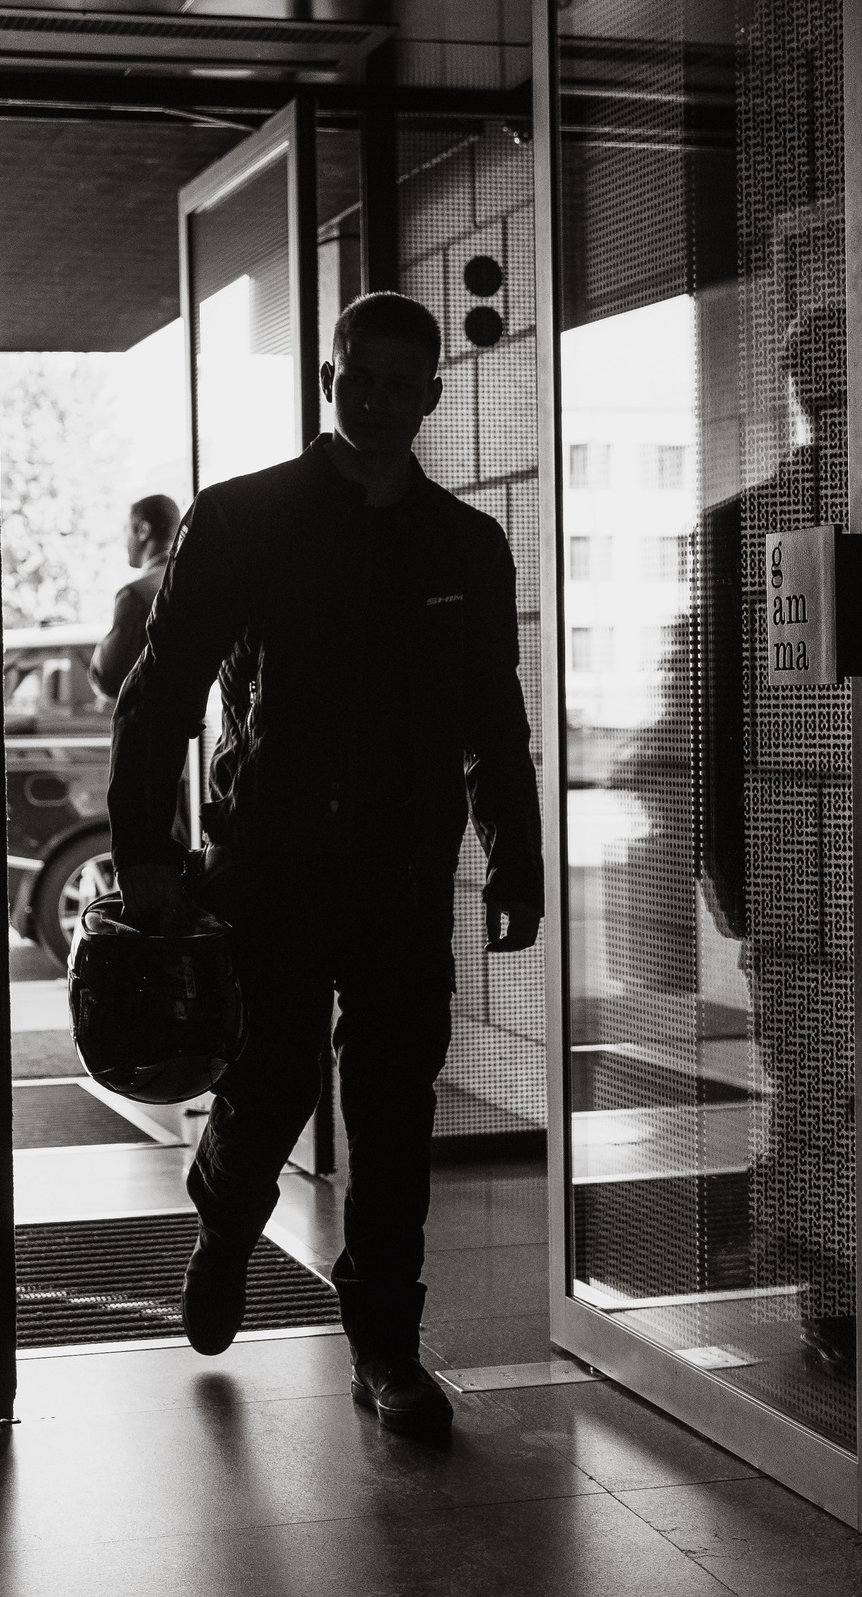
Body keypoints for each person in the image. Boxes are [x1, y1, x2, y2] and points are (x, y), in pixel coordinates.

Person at [107, 291, 542, 1438]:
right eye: (363, 379)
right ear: (329, 382)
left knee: (396, 1114)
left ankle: (387, 1351)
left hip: (404, 879)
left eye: (405, 385)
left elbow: (492, 713)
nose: (383, 402)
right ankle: (225, 1222)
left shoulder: (464, 544)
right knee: (270, 1086)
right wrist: (146, 858)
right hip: (272, 871)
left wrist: (515, 853)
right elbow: (159, 696)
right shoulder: (246, 519)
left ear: (432, 396)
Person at [89, 493, 180, 700]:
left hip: (145, 724)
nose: (125, 541)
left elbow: (109, 679)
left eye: (126, 531)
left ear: (143, 530)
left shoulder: (135, 595)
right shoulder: (197, 585)